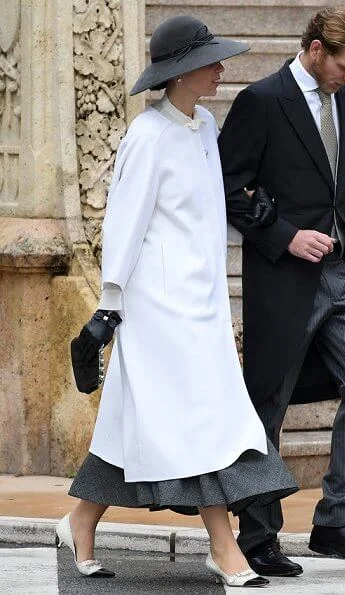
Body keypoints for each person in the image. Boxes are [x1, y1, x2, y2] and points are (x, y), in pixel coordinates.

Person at [57, 15, 298, 588]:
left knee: (134, 428)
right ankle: (224, 547)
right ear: (183, 71)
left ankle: (78, 522)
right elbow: (124, 226)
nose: (221, 68)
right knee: (203, 425)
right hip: (159, 311)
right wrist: (109, 308)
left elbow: (206, 217)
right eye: (211, 60)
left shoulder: (205, 125)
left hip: (202, 305)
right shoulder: (147, 136)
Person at [218, 5, 345, 577]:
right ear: (317, 48)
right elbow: (224, 187)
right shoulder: (261, 101)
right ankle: (258, 536)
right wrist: (284, 236)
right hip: (282, 276)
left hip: (342, 270)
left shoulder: (341, 92)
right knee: (268, 402)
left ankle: (338, 522)